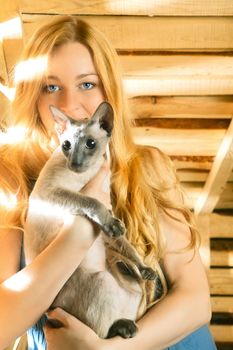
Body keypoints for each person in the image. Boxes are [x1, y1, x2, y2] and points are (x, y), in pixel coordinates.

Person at [0, 15, 216, 350]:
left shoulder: (147, 166)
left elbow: (196, 300)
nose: (70, 105)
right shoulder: (10, 179)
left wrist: (107, 349)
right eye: (51, 87)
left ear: (108, 93)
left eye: (87, 84)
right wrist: (83, 227)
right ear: (33, 96)